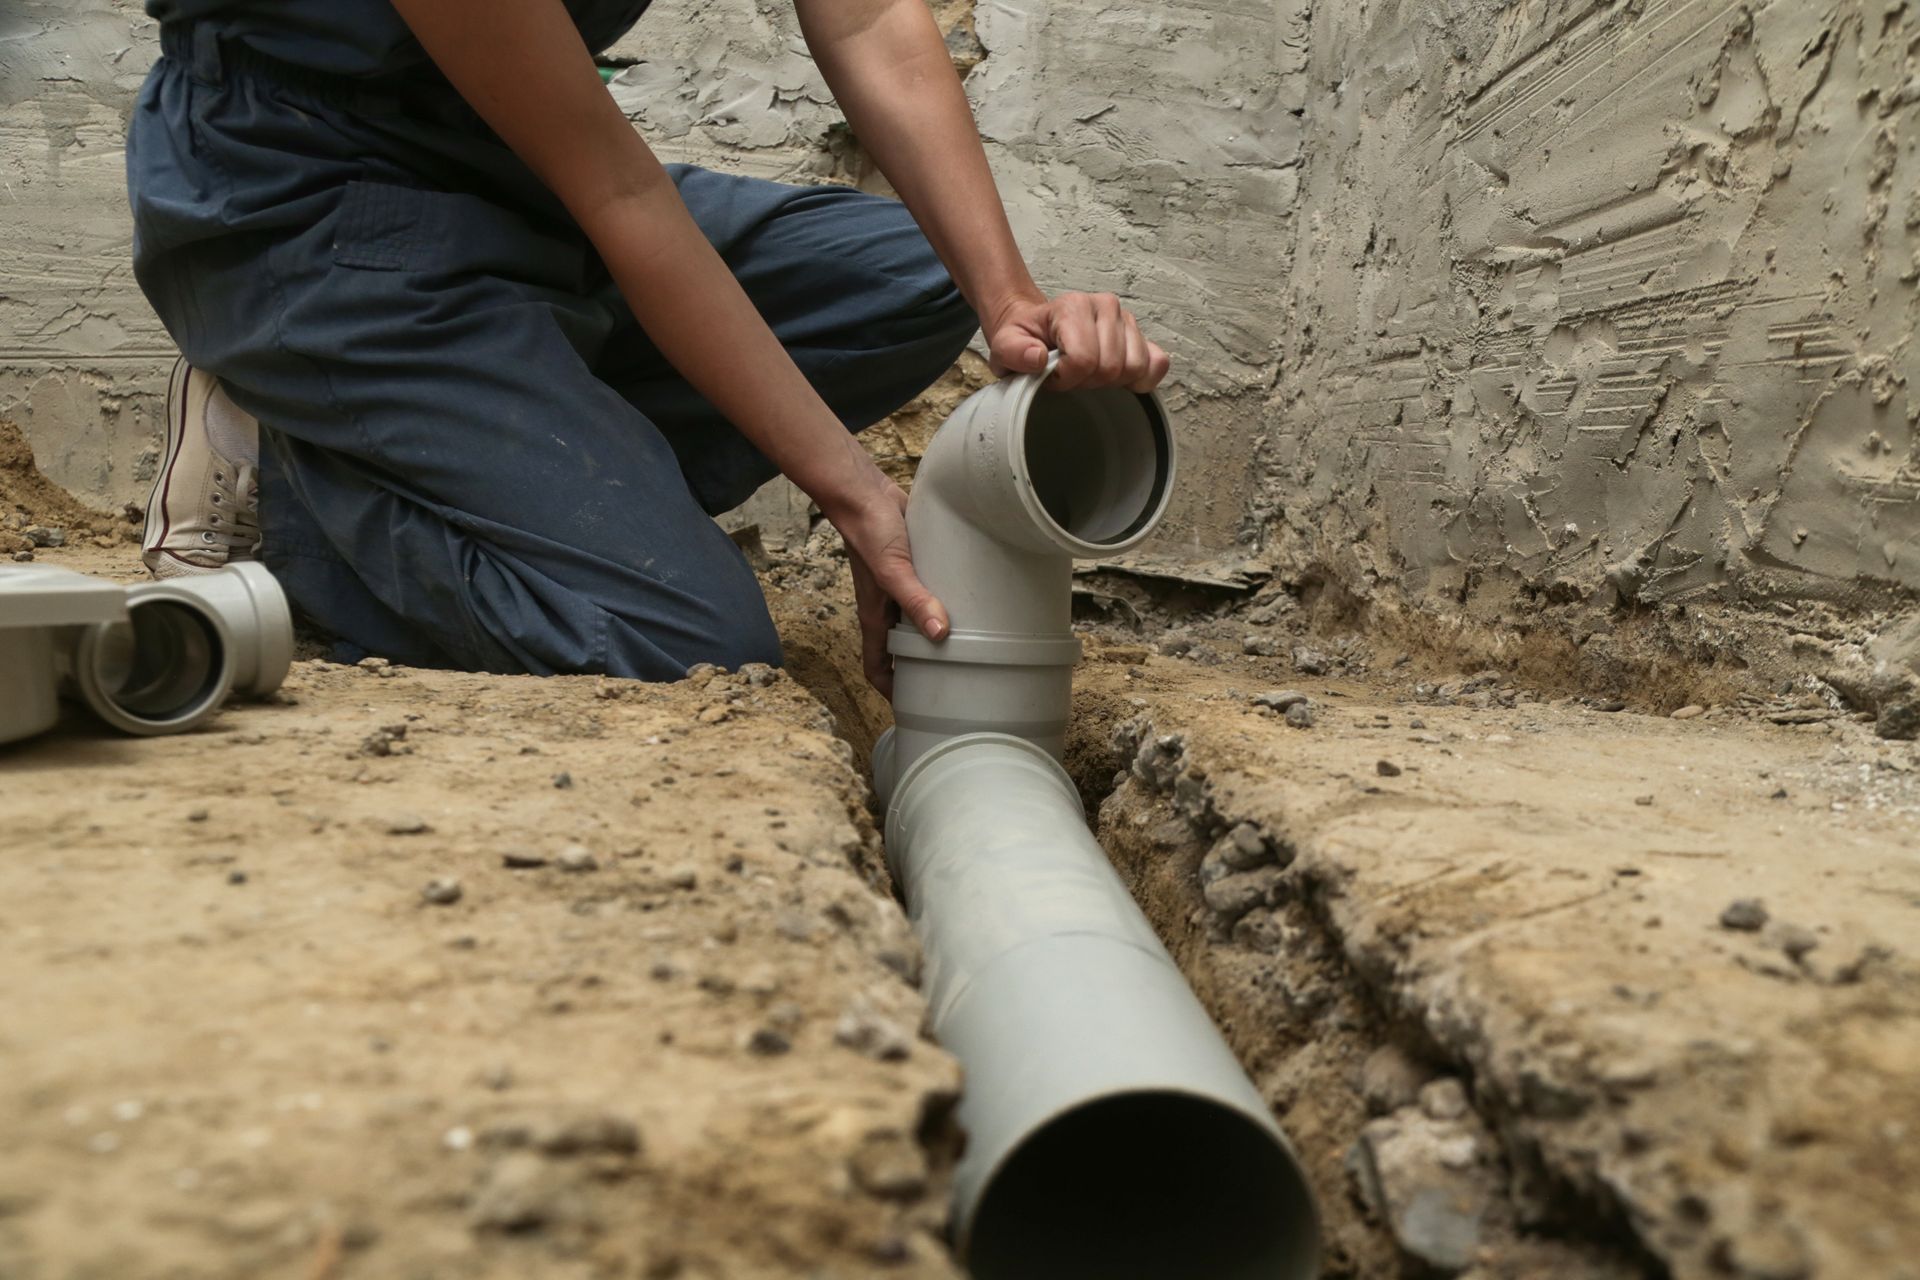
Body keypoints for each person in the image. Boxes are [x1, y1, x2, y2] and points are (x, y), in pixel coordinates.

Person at [129, 0, 1169, 695]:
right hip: (308, 194)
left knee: (920, 274)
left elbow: (867, 19)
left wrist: (1009, 300)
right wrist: (854, 490)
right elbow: (617, 191)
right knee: (682, 643)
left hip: (512, 169)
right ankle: (291, 471)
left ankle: (508, 450)